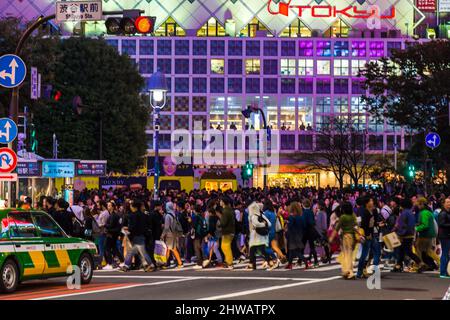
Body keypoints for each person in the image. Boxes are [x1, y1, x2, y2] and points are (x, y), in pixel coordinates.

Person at [392, 198, 425, 273]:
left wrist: (399, 233)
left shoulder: (404, 213)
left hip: (405, 235)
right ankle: (398, 265)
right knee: (401, 250)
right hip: (409, 234)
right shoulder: (410, 212)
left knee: (407, 251)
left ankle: (420, 263)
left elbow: (402, 225)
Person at [120, 199, 154, 272]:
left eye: (131, 206)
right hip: (142, 235)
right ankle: (128, 265)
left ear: (134, 207)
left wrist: (127, 228)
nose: (131, 207)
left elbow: (132, 227)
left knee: (141, 252)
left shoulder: (133, 215)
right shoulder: (144, 215)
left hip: (135, 236)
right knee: (135, 252)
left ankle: (150, 265)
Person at [329, 201, 358, 279]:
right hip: (352, 236)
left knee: (346, 255)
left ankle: (349, 272)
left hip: (345, 237)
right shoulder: (353, 216)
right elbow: (356, 226)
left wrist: (331, 237)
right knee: (350, 255)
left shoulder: (343, 217)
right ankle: (348, 271)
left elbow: (337, 228)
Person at [356, 197, 382, 279]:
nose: (372, 201)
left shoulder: (374, 211)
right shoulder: (364, 212)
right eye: (370, 200)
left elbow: (373, 222)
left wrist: (378, 224)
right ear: (367, 203)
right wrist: (367, 234)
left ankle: (374, 270)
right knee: (364, 254)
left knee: (377, 251)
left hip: (372, 234)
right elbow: (363, 224)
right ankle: (359, 272)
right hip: (367, 235)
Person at [246, 198, 273, 271]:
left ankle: (253, 264)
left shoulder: (253, 216)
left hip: (255, 236)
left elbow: (255, 224)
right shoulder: (262, 215)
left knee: (253, 250)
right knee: (258, 250)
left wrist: (262, 224)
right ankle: (253, 264)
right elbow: (269, 224)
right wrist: (265, 224)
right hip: (261, 236)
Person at [415, 197, 440, 270]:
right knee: (428, 251)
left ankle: (421, 264)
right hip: (430, 234)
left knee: (419, 249)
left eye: (418, 205)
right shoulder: (428, 212)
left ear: (421, 204)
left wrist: (416, 228)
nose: (418, 206)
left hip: (425, 235)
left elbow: (425, 225)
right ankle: (438, 263)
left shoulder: (424, 213)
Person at [285, 201, 308, 270]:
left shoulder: (292, 217)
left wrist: (287, 222)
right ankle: (289, 264)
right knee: (292, 250)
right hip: (299, 234)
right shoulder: (301, 216)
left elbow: (290, 226)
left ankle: (306, 262)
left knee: (295, 251)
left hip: (293, 235)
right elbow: (304, 226)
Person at [161, 201, 183, 268]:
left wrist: (162, 235)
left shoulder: (168, 215)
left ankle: (179, 263)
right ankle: (166, 263)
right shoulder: (174, 214)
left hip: (169, 235)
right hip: (174, 233)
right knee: (170, 249)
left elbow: (166, 227)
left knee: (172, 249)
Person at [104, 201, 124, 270]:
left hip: (111, 234)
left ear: (112, 207)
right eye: (108, 205)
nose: (108, 207)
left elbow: (111, 225)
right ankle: (121, 261)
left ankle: (110, 263)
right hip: (114, 234)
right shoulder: (114, 215)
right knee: (114, 248)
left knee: (107, 248)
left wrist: (105, 224)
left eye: (109, 206)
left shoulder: (113, 215)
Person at [300, 199, 319, 267]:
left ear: (303, 205)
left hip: (305, 231)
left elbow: (304, 223)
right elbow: (313, 221)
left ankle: (300, 260)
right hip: (311, 230)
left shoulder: (304, 212)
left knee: (302, 246)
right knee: (312, 247)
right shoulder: (311, 212)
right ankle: (316, 261)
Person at [218, 196, 235, 269]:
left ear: (223, 202)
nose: (220, 202)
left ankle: (230, 262)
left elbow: (223, 223)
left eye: (221, 201)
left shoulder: (225, 211)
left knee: (226, 247)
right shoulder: (230, 210)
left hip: (227, 231)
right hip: (231, 231)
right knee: (225, 246)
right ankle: (227, 261)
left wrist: (219, 222)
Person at [191, 204, 207, 269]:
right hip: (202, 234)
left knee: (197, 249)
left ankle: (199, 263)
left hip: (197, 234)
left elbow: (194, 226)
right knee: (202, 248)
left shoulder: (195, 216)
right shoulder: (202, 215)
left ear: (194, 210)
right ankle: (205, 262)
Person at [437, 198, 450, 279]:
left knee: (446, 254)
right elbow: (441, 224)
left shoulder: (447, 212)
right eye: (448, 202)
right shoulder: (443, 213)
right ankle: (443, 272)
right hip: (445, 236)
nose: (449, 204)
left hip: (447, 235)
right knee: (445, 254)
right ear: (444, 204)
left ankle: (445, 271)